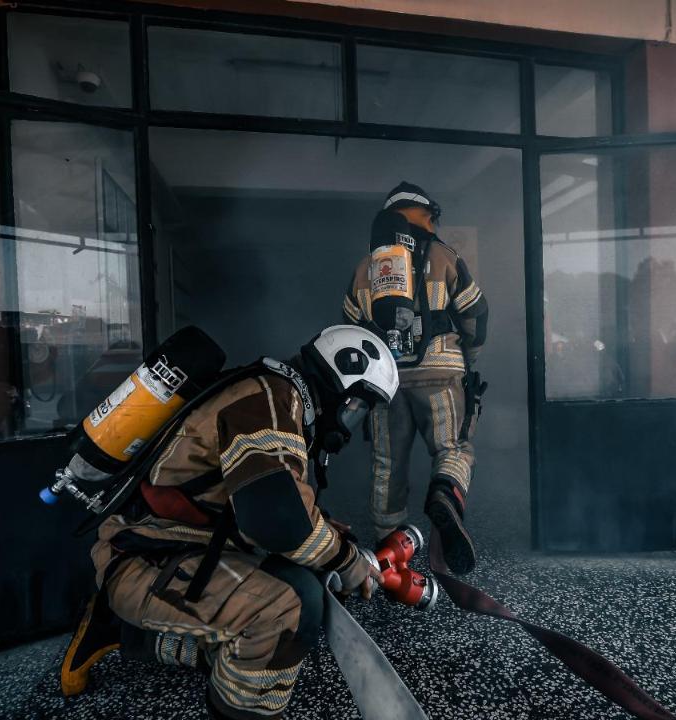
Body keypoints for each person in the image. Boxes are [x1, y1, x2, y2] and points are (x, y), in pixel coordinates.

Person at [61, 325, 398, 720]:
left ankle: (125, 631)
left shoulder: (273, 393)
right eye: (357, 409)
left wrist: (328, 537)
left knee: (306, 574)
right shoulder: (268, 402)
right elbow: (279, 522)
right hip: (142, 560)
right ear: (340, 382)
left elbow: (266, 500)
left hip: (167, 547)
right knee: (287, 607)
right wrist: (347, 561)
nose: (350, 425)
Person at [342, 182, 489, 575]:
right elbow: (476, 314)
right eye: (433, 216)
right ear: (422, 214)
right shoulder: (444, 255)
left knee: (387, 465)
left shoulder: (365, 266)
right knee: (453, 448)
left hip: (385, 381)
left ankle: (390, 559)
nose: (436, 223)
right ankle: (444, 493)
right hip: (441, 374)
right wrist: (468, 359)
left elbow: (350, 328)